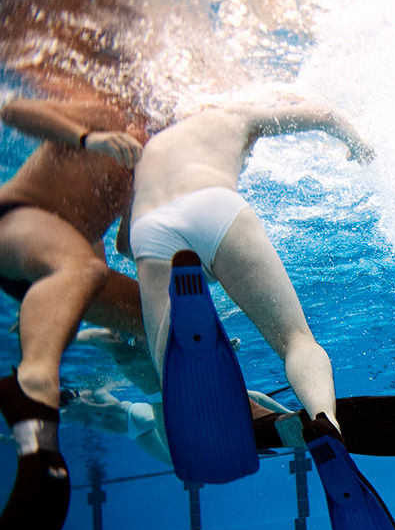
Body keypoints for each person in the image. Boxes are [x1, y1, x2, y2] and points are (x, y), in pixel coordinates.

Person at [128, 102, 373, 437]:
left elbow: (121, 247)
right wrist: (356, 141)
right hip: (212, 202)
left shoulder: (149, 150)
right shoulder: (231, 113)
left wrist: (195, 259)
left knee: (167, 367)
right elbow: (325, 115)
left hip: (149, 227)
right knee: (295, 340)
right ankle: (324, 420)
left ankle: (183, 314)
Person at [0, 93, 147, 530]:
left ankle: (210, 412)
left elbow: (130, 243)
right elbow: (10, 109)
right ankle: (31, 383)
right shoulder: (104, 101)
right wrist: (89, 138)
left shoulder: (146, 154)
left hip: (70, 258)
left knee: (163, 320)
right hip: (17, 220)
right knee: (80, 269)